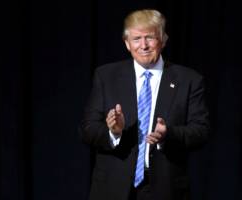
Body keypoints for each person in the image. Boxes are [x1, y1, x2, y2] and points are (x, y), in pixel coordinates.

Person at [80, 9, 209, 200]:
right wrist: (113, 133)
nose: (144, 45)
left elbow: (201, 131)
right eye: (136, 39)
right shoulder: (106, 76)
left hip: (165, 188)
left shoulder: (188, 80)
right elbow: (87, 129)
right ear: (126, 43)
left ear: (163, 40)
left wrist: (168, 135)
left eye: (150, 37)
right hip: (112, 188)